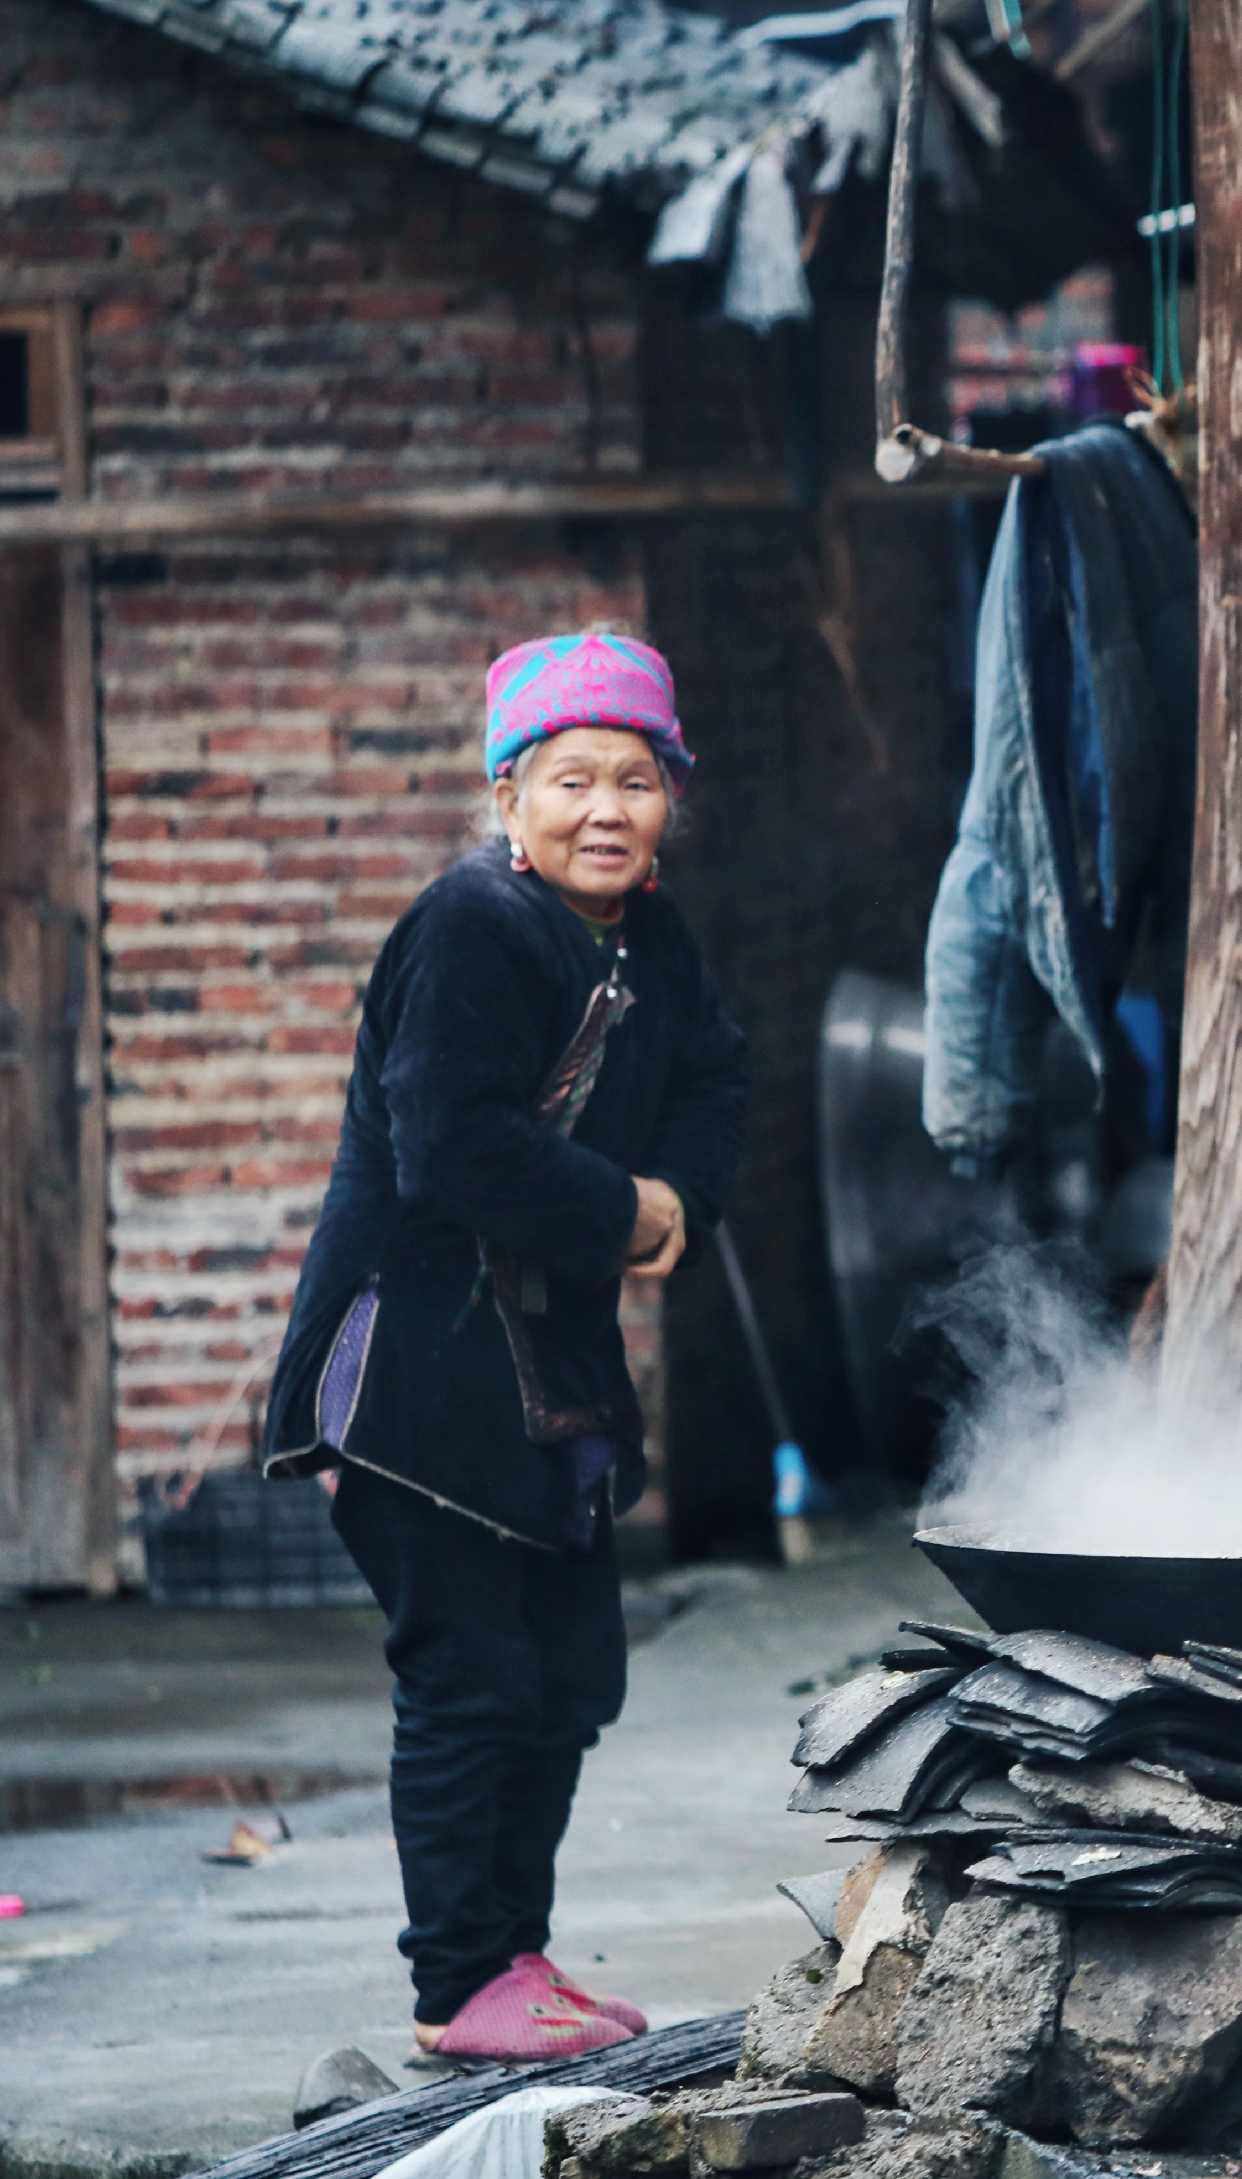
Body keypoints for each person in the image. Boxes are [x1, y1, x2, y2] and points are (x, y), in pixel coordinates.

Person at [261, 632, 749, 2060]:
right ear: (507, 797)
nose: (609, 808)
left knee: (568, 1674)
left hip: (548, 1372)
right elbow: (451, 1149)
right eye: (572, 779)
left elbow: (718, 1069)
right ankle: (457, 1984)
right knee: (470, 1675)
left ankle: (514, 1959)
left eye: (638, 779)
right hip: (418, 1366)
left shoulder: (646, 934)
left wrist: (682, 1199)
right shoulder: (471, 927)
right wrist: (626, 1207)